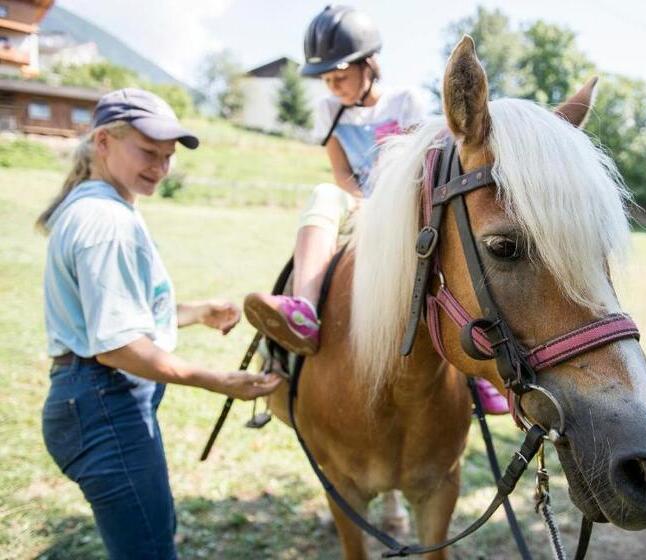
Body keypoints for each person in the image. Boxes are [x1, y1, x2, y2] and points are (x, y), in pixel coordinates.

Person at [39, 88, 280, 559]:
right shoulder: (106, 221)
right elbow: (117, 346)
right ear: (103, 142)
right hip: (105, 404)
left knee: (151, 533)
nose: (161, 167)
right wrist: (216, 380)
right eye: (149, 152)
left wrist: (194, 313)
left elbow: (111, 314)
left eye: (168, 156)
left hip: (95, 399)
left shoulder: (97, 206)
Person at [243, 5, 509, 414]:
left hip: (404, 203)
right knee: (323, 195)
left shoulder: (405, 103)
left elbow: (423, 166)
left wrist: (386, 206)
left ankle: (477, 374)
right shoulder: (327, 113)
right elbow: (340, 173)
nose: (334, 86)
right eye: (327, 79)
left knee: (453, 269)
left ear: (369, 65)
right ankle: (304, 310)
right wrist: (363, 204)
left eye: (341, 76)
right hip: (359, 199)